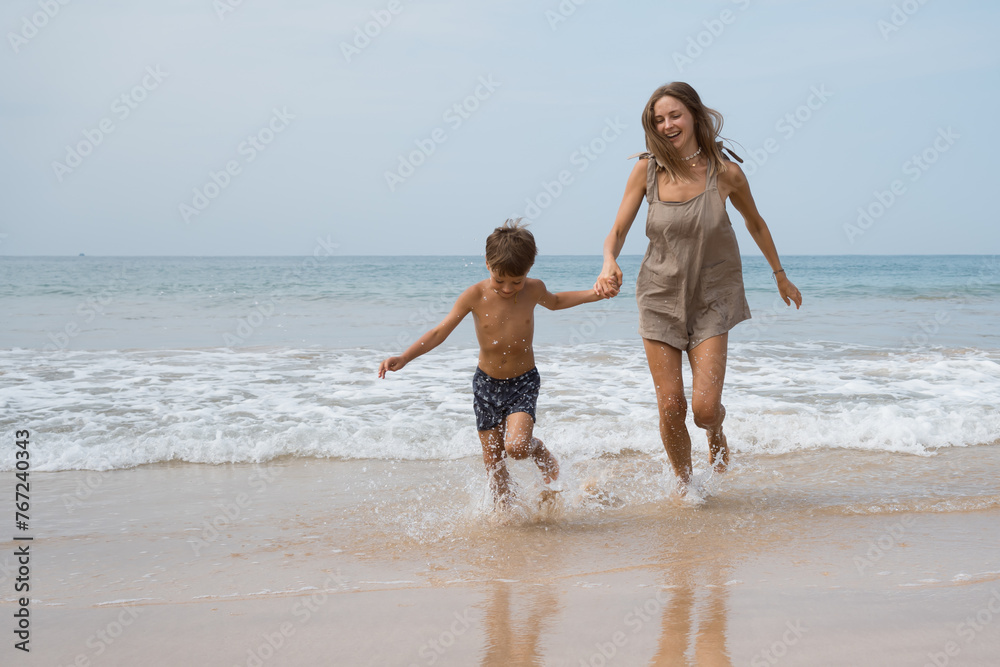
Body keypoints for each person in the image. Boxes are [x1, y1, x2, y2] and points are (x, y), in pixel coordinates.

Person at [594, 82, 802, 490]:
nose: (667, 125)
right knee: (671, 406)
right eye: (659, 119)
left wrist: (780, 275)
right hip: (659, 296)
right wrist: (608, 261)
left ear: (693, 115)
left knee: (704, 410)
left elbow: (755, 223)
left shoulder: (725, 173)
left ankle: (716, 432)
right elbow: (617, 230)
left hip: (712, 299)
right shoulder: (646, 169)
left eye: (674, 115)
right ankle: (687, 488)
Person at [378, 219, 605, 508]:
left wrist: (595, 293)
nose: (508, 289)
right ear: (487, 264)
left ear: (528, 271)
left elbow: (557, 301)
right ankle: (505, 521)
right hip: (486, 384)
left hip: (523, 381)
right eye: (500, 281)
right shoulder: (474, 295)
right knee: (494, 464)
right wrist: (405, 357)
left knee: (518, 447)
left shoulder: (534, 289)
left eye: (516, 281)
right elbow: (440, 331)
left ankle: (538, 449)